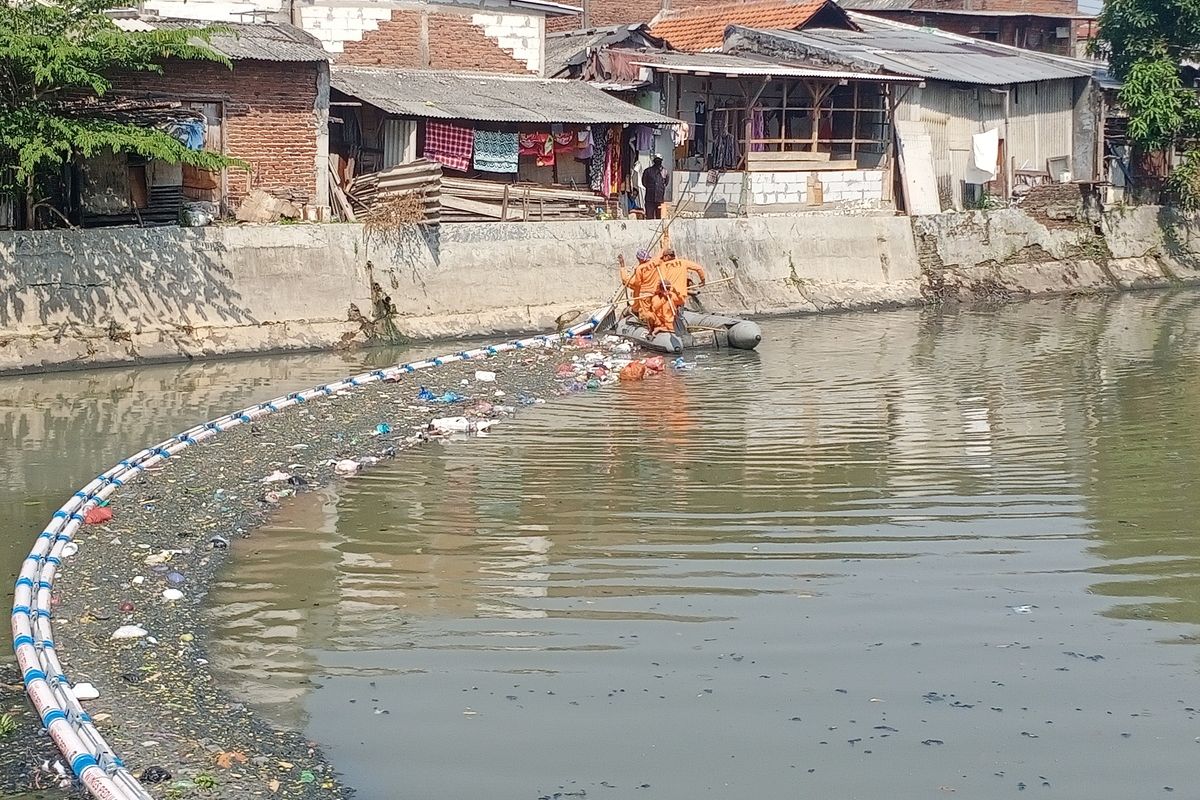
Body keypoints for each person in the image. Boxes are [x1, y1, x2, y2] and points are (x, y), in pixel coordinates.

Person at [641, 155, 669, 220]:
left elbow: (666, 183)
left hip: (659, 199)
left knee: (659, 217)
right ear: (654, 161)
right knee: (649, 217)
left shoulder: (664, 171)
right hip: (649, 198)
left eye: (659, 160)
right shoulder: (647, 171)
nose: (658, 162)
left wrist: (659, 188)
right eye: (656, 160)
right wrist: (651, 188)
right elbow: (644, 182)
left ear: (661, 161)